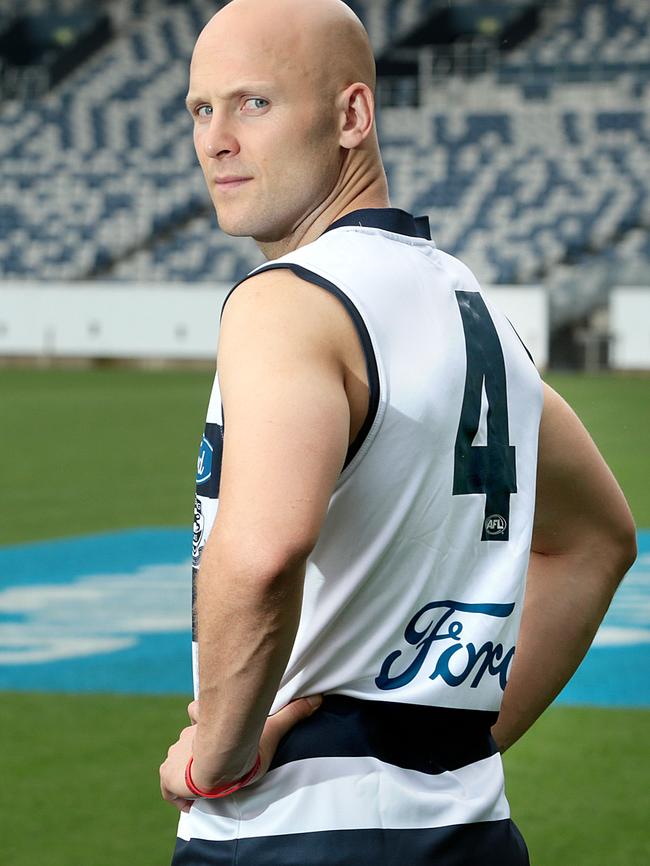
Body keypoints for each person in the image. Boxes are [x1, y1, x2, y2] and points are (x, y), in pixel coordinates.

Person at [159, 0, 637, 863]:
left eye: (252, 103)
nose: (215, 139)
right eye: (201, 108)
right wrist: (454, 742)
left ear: (352, 115)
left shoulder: (286, 300)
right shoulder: (472, 308)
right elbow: (600, 540)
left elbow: (263, 552)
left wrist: (219, 757)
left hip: (294, 830)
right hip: (468, 824)